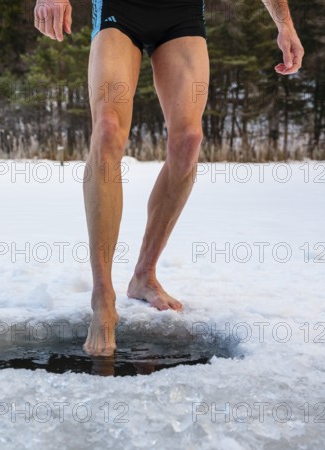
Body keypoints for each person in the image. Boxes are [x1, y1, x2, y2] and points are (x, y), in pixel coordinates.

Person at [34, 0, 304, 356]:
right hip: (120, 10)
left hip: (181, 12)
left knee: (188, 141)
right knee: (108, 130)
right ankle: (103, 297)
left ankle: (144, 275)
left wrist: (284, 23)